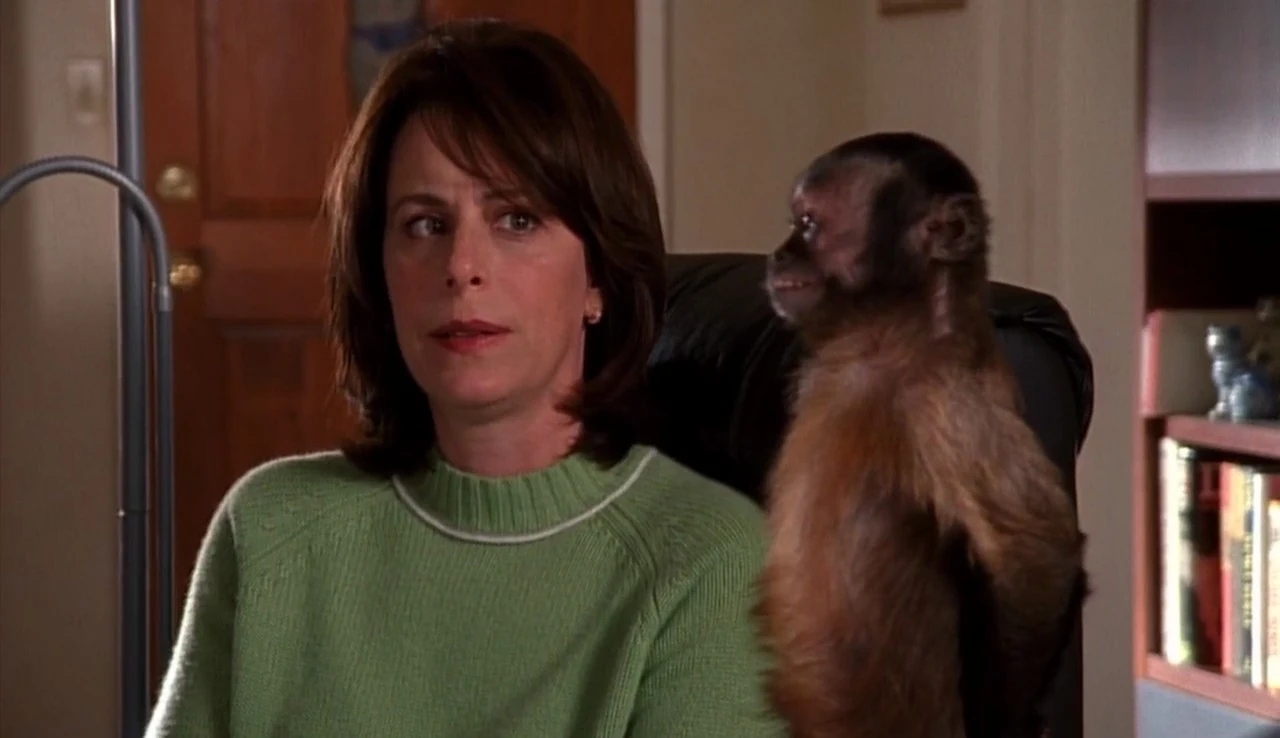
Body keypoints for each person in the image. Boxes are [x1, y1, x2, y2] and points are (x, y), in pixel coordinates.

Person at [146, 17, 785, 738]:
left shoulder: (709, 561)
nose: (460, 266)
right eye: (425, 224)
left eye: (516, 219)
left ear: (599, 277)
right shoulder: (269, 528)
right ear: (379, 274)